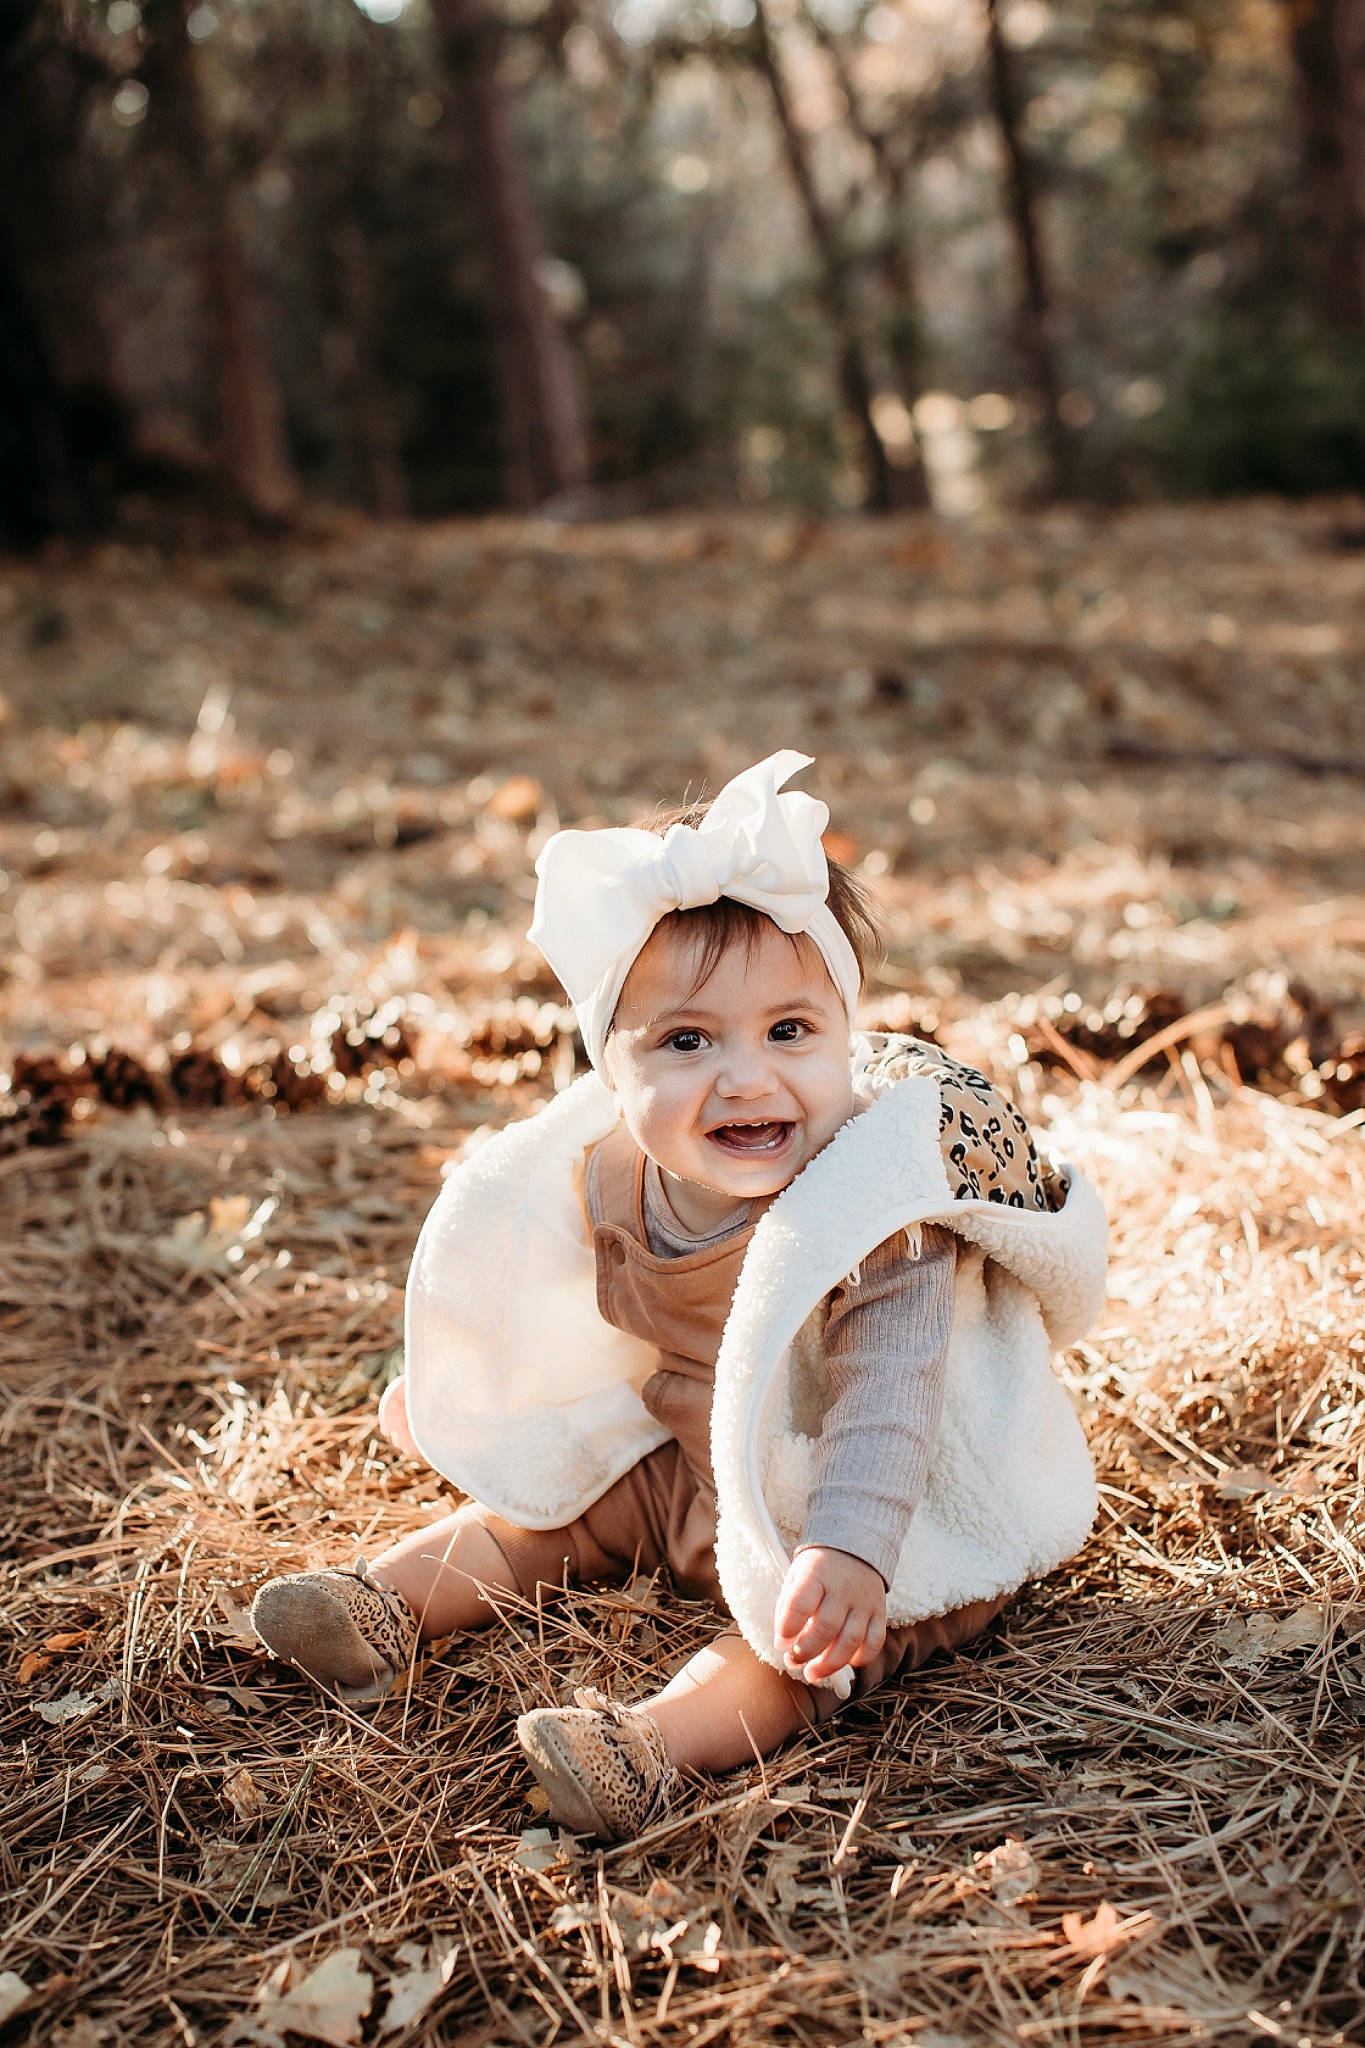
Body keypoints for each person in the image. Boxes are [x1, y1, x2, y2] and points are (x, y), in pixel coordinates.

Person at [251, 751, 1108, 1840]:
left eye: (790, 1031)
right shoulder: (608, 1172)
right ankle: (377, 1602)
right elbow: (524, 1286)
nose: (747, 1076)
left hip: (877, 1513)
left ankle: (645, 1746)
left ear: (846, 1034)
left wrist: (848, 1548)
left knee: (794, 1649)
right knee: (549, 1513)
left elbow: (890, 1398)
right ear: (615, 1067)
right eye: (688, 1040)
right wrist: (472, 1391)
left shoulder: (876, 1210)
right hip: (693, 1469)